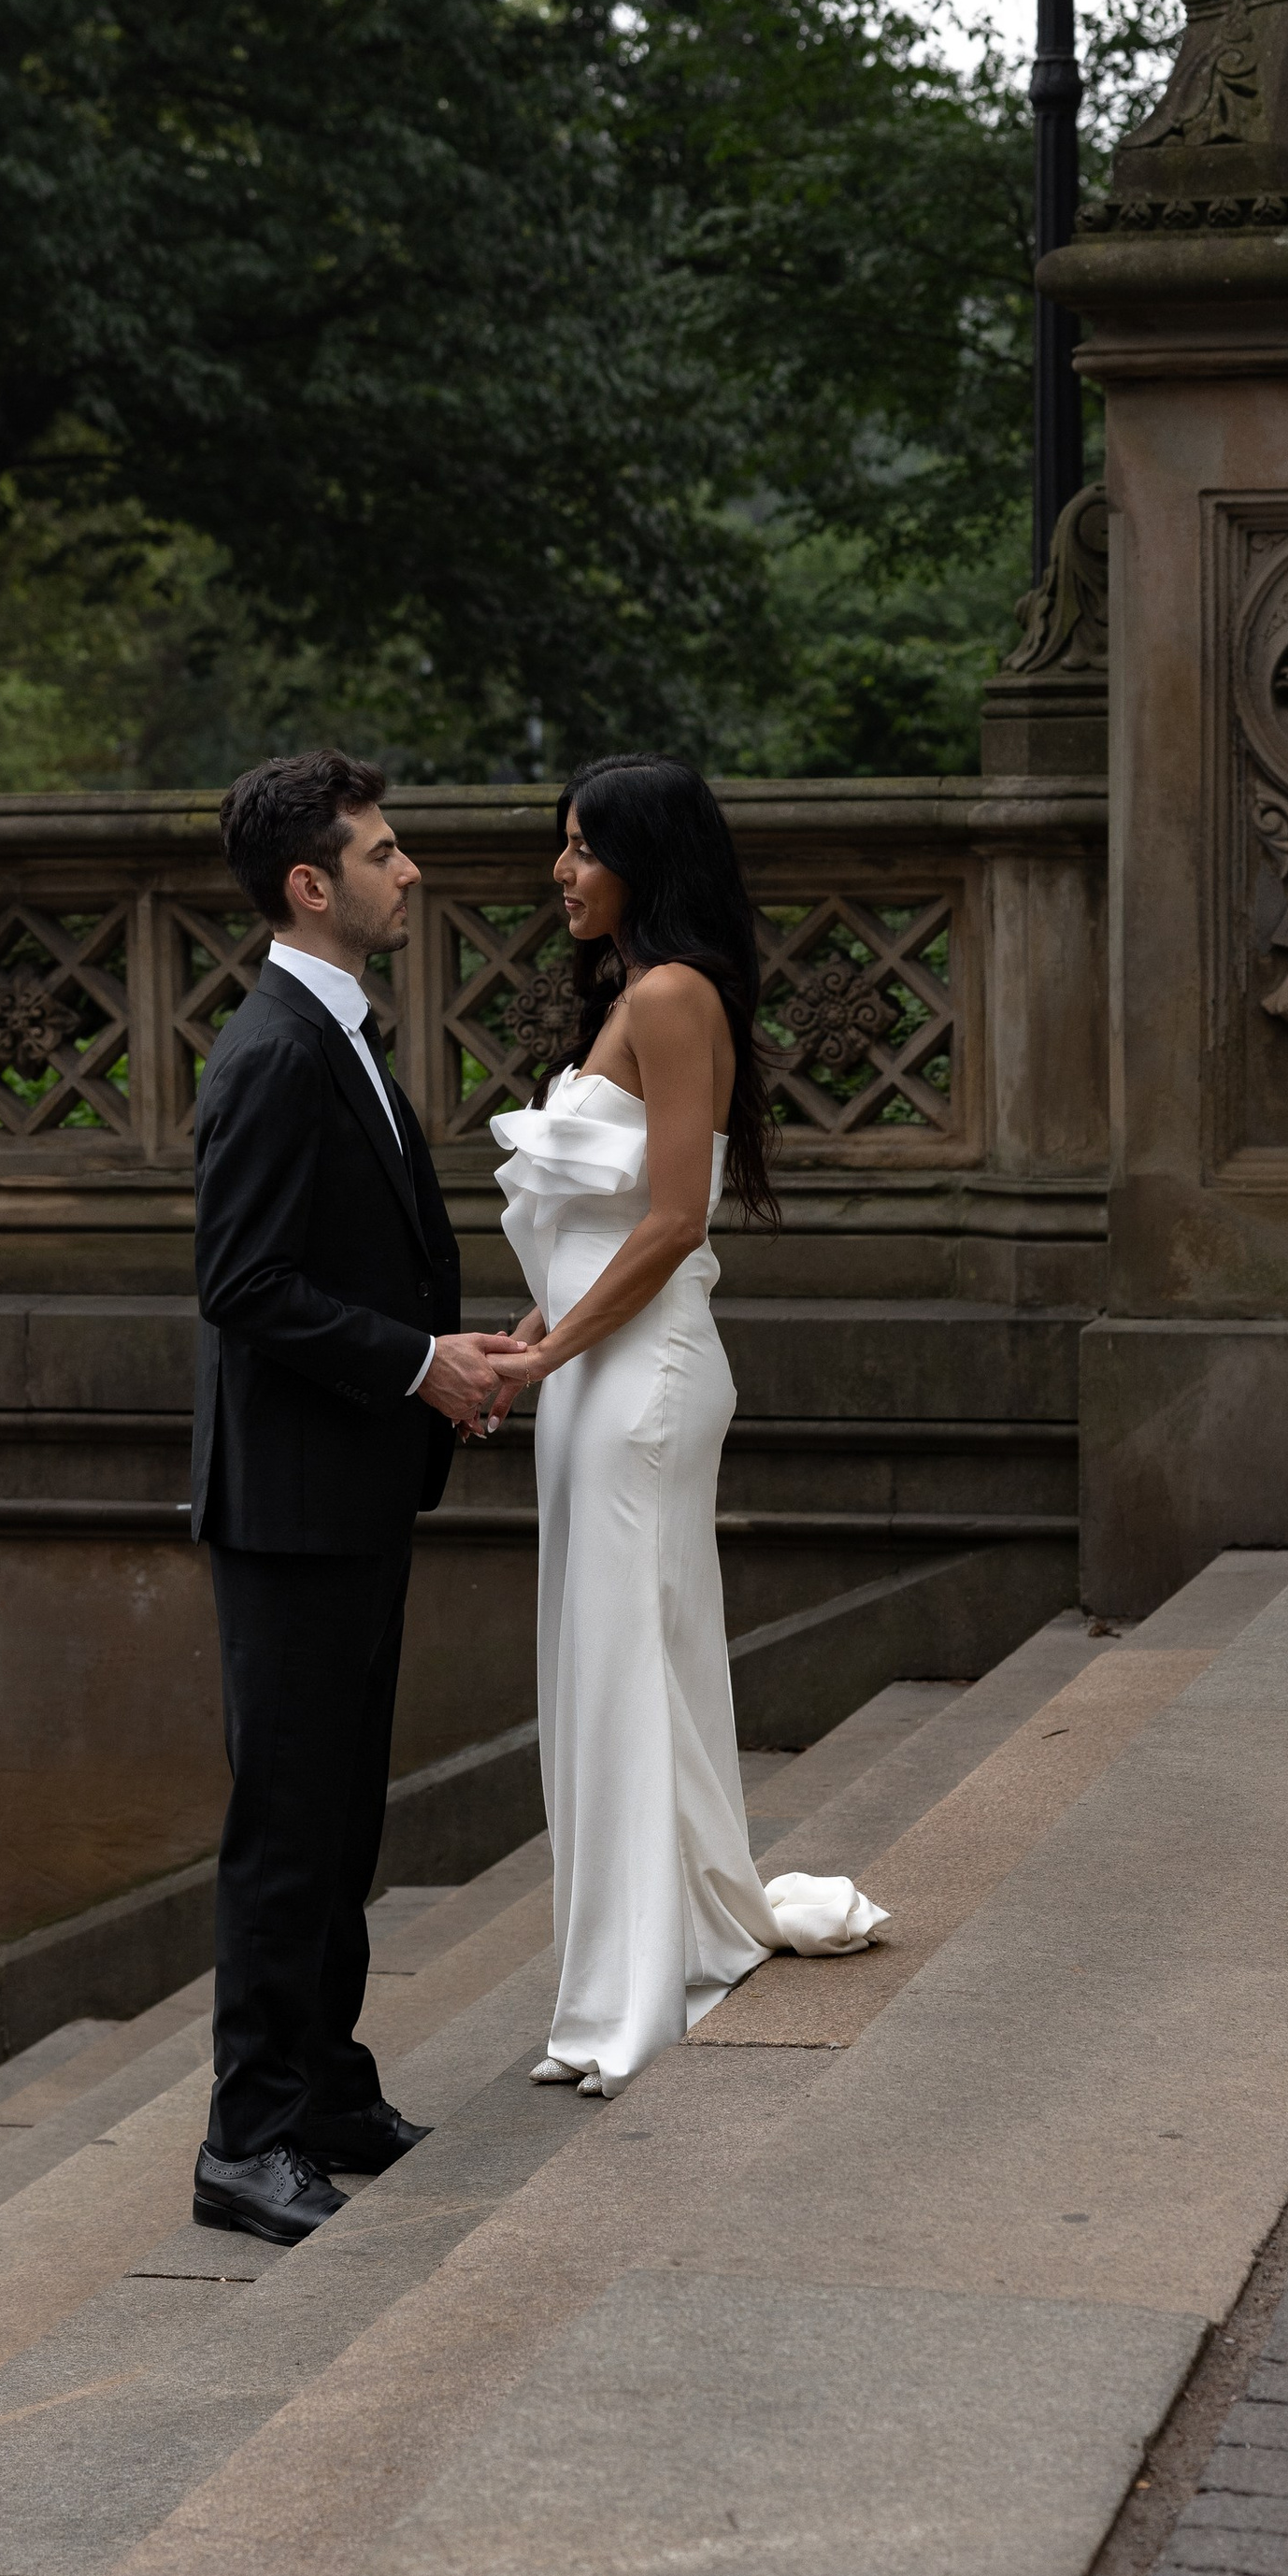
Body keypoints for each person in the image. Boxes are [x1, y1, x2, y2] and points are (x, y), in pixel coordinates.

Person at [487, 756, 885, 2094]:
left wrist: (551, 1354)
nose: (563, 870)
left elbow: (672, 1222)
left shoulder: (667, 995)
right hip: (605, 1371)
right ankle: (663, 1948)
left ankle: (626, 1997)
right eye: (563, 846)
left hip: (641, 1380)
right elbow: (615, 1224)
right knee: (617, 1662)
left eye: (584, 848)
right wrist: (539, 1336)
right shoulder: (643, 993)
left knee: (622, 1670)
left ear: (645, 863)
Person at [188, 751, 511, 2243]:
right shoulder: (270, 1050)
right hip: (291, 1509)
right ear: (311, 885)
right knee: (285, 1829)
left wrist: (446, 1356)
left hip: (352, 1492)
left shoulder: (341, 1036)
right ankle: (245, 2142)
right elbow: (243, 1286)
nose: (410, 872)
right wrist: (418, 1365)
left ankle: (326, 2087)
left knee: (340, 1820)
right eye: (385, 853)